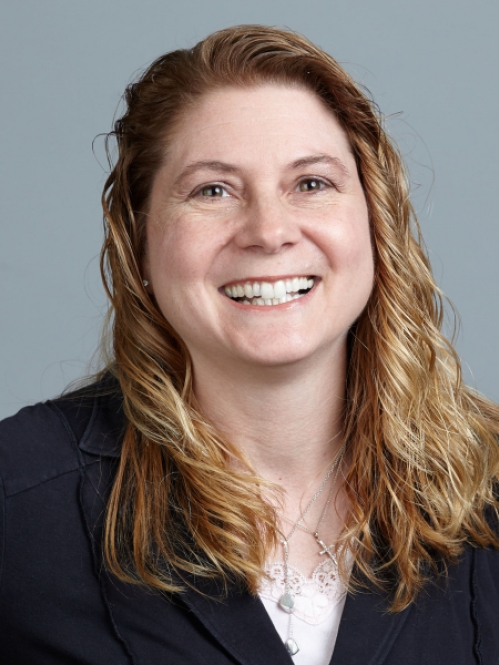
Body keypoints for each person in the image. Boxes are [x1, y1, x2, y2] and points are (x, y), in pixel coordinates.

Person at [1, 24, 498, 665]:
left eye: (311, 183)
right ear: (139, 242)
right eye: (213, 190)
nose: (268, 231)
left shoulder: (486, 489)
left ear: (375, 221)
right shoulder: (20, 504)